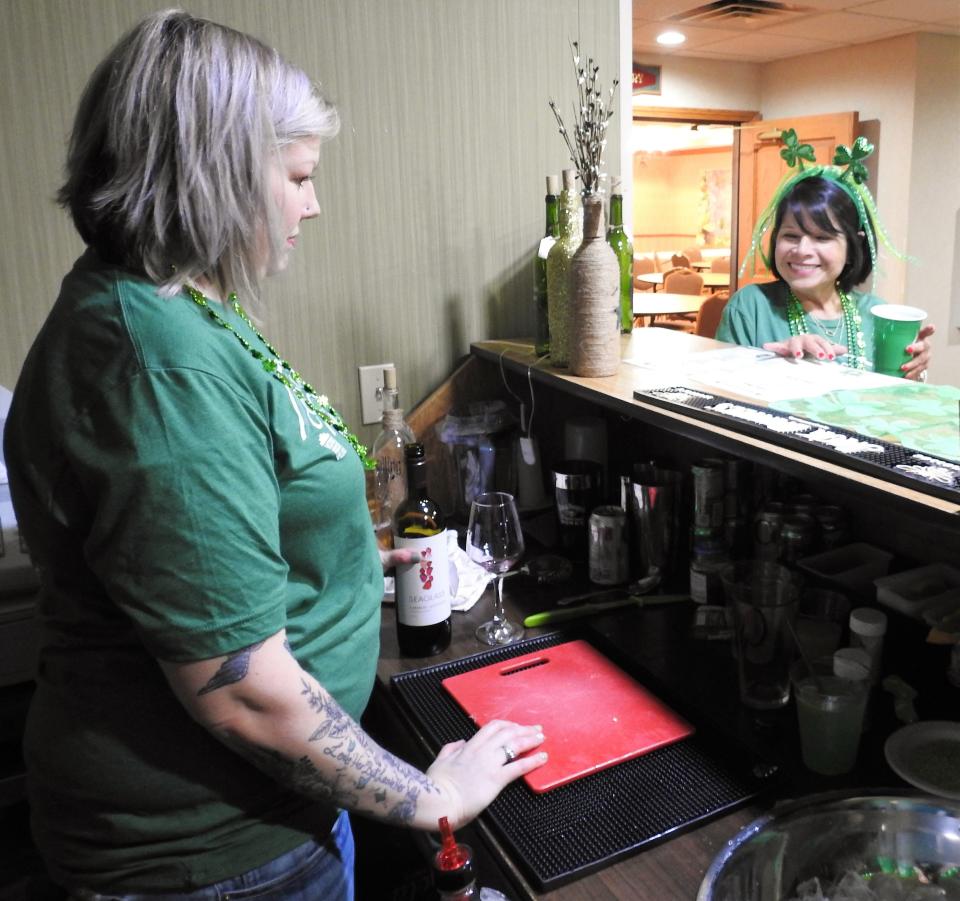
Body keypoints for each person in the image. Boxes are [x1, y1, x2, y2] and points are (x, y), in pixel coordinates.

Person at [3, 10, 545, 899]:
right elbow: (241, 691)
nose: (313, 202)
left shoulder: (193, 309)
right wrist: (432, 796)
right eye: (297, 175)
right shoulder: (156, 362)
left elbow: (206, 544)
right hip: (209, 848)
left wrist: (350, 557)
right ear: (213, 176)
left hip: (264, 812)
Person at [717, 131, 934, 379]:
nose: (802, 250)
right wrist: (775, 365)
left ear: (853, 246)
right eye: (791, 235)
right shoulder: (751, 307)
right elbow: (716, 394)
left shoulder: (876, 313)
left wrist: (915, 372)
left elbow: (893, 403)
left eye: (822, 237)